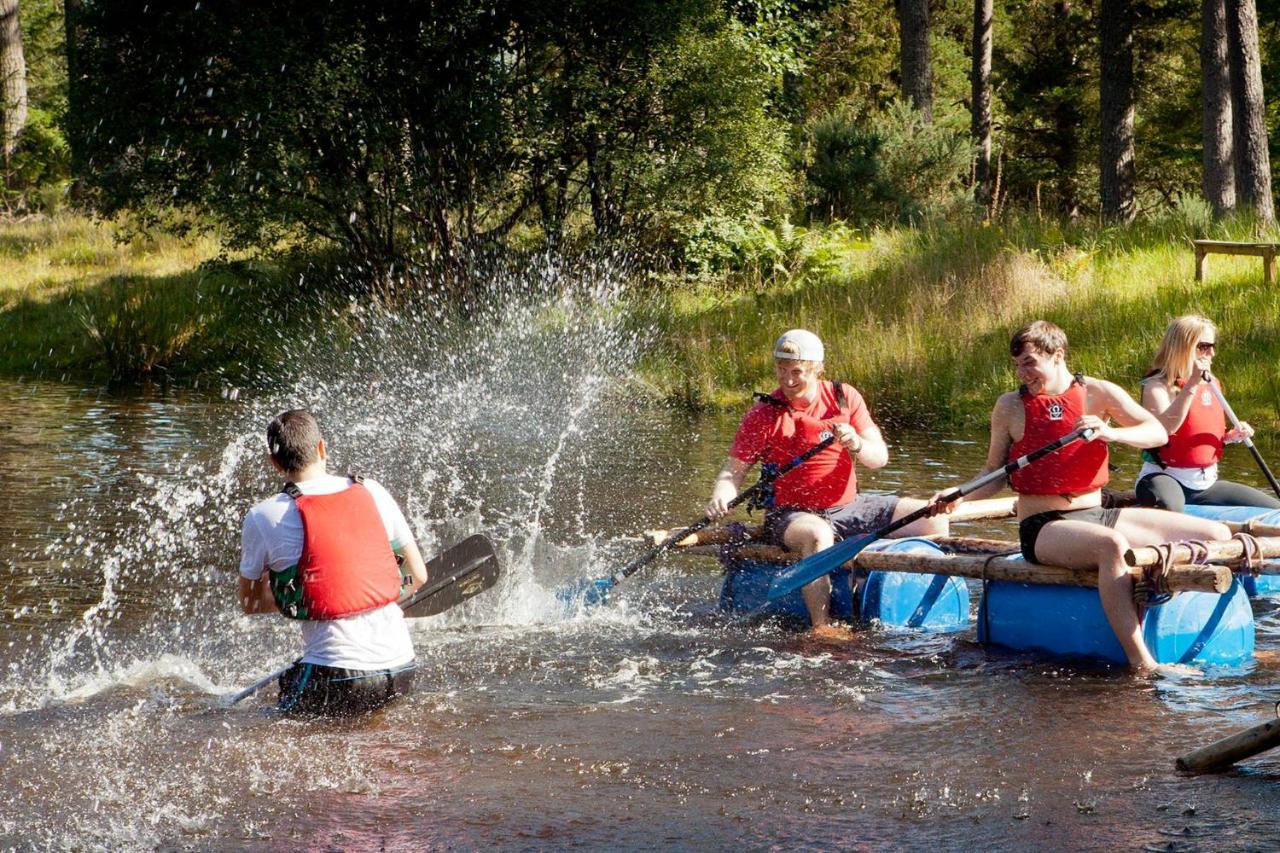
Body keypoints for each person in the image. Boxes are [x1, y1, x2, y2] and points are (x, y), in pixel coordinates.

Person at [939, 320, 1230, 674]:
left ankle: (1155, 595)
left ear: (1058, 354)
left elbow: (1156, 433)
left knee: (1216, 536)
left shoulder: (1098, 392)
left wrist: (1110, 433)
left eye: (1030, 363)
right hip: (1044, 526)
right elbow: (993, 474)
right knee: (1110, 545)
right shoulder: (1010, 406)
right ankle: (1142, 662)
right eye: (1017, 365)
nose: (1023, 373)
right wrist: (961, 496)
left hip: (1096, 512)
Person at [705, 329, 948, 637]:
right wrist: (721, 495)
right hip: (792, 515)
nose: (788, 380)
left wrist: (856, 443)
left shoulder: (844, 396)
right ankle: (823, 627)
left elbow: (879, 458)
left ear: (817, 369)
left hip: (850, 506)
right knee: (818, 535)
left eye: (797, 372)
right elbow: (733, 472)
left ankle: (894, 592)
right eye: (781, 370)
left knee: (934, 522)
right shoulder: (764, 413)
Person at [238, 409, 430, 715]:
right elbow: (417, 574)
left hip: (337, 675)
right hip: (402, 667)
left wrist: (305, 595)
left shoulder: (263, 516)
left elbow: (250, 602)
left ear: (275, 464)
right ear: (322, 448)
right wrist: (361, 596)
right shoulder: (373, 490)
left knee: (265, 725)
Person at [1135, 315, 1280, 512]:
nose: (1211, 352)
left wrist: (1231, 437)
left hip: (1205, 485)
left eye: (1213, 345)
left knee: (1274, 508)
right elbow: (1165, 430)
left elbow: (1199, 434)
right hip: (1165, 477)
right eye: (1203, 346)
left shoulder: (1211, 383)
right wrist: (1192, 383)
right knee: (1169, 507)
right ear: (1182, 347)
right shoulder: (1157, 385)